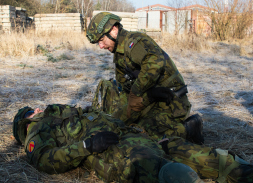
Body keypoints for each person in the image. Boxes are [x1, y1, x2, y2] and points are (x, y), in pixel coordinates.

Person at [13, 104, 253, 183]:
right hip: (114, 151)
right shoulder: (37, 129)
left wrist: (145, 133)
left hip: (138, 137)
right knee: (168, 171)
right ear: (25, 124)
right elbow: (44, 160)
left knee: (207, 156)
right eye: (29, 112)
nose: (36, 109)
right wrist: (87, 146)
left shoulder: (70, 111)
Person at [86, 12, 199, 143]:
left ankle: (188, 129)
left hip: (170, 102)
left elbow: (155, 62)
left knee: (142, 138)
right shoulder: (119, 55)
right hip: (149, 102)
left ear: (114, 30)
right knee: (118, 126)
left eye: (101, 40)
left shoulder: (134, 42)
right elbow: (126, 89)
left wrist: (137, 91)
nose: (101, 46)